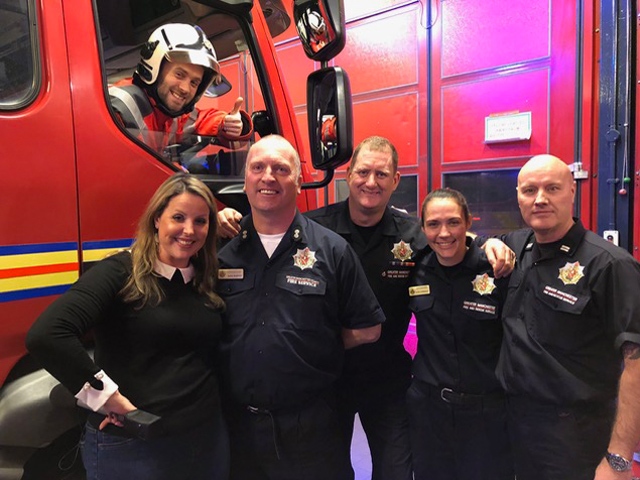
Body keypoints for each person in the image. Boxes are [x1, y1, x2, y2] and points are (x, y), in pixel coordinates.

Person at [217, 135, 515, 480]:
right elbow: (264, 227)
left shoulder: (413, 235)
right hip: (328, 384)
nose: (370, 182)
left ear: (396, 180)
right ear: (348, 174)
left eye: (381, 174)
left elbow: (449, 238)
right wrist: (225, 215)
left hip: (387, 382)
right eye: (363, 172)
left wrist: (487, 242)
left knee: (396, 472)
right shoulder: (316, 230)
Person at [25, 173, 229, 480]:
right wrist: (105, 398)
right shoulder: (120, 272)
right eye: (178, 217)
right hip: (134, 448)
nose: (189, 230)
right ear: (157, 219)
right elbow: (48, 334)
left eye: (200, 221)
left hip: (205, 442)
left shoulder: (204, 276)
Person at [216, 134, 385, 480]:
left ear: (298, 181)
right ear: (245, 180)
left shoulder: (331, 250)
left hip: (311, 430)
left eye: (281, 169)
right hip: (238, 429)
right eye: (258, 167)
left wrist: (315, 343)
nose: (268, 177)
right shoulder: (221, 253)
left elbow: (369, 328)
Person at [495, 154, 640, 480]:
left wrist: (618, 459)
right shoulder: (518, 246)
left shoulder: (610, 265)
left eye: (552, 188)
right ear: (518, 196)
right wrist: (489, 243)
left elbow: (637, 361)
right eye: (529, 190)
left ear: (572, 192)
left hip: (576, 436)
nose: (540, 199)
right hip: (514, 426)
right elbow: (473, 243)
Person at [406, 188, 513, 480]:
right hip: (429, 413)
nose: (444, 233)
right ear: (423, 228)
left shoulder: (496, 270)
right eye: (433, 224)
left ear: (468, 222)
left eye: (453, 222)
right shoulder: (415, 269)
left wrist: (489, 240)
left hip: (486, 415)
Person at [109, 23, 253, 164]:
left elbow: (202, 120)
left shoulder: (170, 114)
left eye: (194, 83)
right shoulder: (119, 108)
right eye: (179, 74)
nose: (185, 88)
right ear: (155, 68)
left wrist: (230, 125)